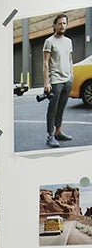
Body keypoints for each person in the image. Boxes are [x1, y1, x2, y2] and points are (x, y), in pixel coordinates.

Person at [43, 13, 74, 148]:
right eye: (60, 23)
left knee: (61, 108)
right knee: (53, 109)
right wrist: (46, 82)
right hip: (55, 80)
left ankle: (58, 132)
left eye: (64, 23)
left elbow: (70, 59)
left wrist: (71, 75)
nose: (62, 26)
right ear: (55, 25)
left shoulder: (68, 41)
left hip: (67, 79)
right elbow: (45, 62)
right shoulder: (49, 41)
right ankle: (50, 136)